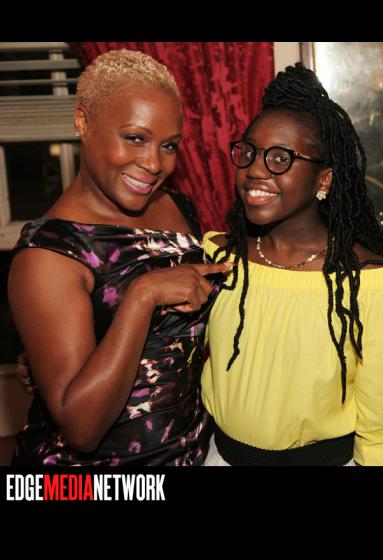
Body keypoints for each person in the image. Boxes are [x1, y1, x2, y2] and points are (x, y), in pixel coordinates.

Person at [8, 49, 231, 466]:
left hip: (193, 452)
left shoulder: (178, 207)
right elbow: (81, 428)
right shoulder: (49, 254)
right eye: (135, 138)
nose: (153, 163)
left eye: (168, 145)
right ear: (82, 122)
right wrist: (143, 296)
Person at [200, 63, 383, 466]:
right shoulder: (218, 257)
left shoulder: (369, 284)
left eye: (280, 158)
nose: (254, 169)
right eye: (248, 153)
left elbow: (380, 434)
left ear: (323, 180)